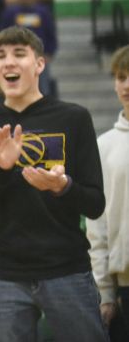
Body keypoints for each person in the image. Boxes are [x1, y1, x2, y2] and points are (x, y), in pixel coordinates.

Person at [0, 26, 107, 342]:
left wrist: (62, 186)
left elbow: (95, 204)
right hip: (3, 275)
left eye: (19, 54)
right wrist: (1, 170)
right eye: (0, 56)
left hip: (67, 268)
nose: (8, 62)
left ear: (39, 64)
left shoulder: (74, 118)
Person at [87, 45, 129, 339]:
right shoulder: (104, 145)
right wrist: (105, 291)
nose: (126, 85)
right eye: (121, 76)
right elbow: (97, 225)